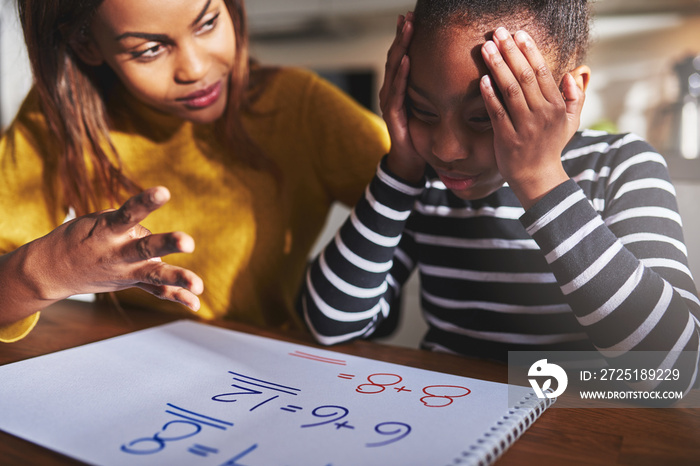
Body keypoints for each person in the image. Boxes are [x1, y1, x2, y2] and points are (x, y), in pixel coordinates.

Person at [301, 0, 700, 395]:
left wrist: (539, 178)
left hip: (580, 427)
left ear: (568, 93)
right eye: (422, 111)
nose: (447, 149)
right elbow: (329, 322)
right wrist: (400, 169)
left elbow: (675, 369)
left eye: (484, 117)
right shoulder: (421, 180)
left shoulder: (619, 166)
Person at [0, 0, 390, 343]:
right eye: (150, 49)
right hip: (133, 366)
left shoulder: (299, 106)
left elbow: (423, 191)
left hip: (274, 372)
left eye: (207, 23)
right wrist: (55, 269)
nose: (195, 68)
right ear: (86, 44)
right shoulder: (58, 121)